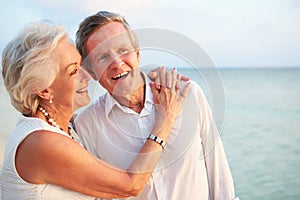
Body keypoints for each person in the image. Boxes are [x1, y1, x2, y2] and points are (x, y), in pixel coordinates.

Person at [0, 21, 190, 199]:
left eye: (81, 64)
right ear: (43, 90)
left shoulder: (64, 128)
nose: (87, 75)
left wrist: (144, 82)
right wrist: (164, 118)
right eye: (73, 71)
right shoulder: (42, 143)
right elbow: (130, 186)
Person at [74, 11, 238, 200]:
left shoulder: (188, 93)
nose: (117, 63)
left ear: (137, 54)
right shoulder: (87, 126)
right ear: (92, 73)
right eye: (102, 57)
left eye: (122, 50)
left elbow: (219, 178)